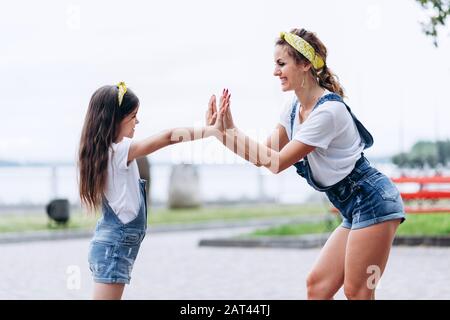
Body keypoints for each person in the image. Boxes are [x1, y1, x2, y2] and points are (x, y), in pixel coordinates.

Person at [206, 28, 406, 300]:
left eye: (281, 64)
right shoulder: (292, 110)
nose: (276, 72)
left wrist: (231, 131)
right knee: (318, 286)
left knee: (358, 292)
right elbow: (263, 156)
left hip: (372, 200)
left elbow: (276, 163)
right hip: (352, 206)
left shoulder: (328, 113)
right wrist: (224, 133)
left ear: (305, 64)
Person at [78, 82, 222, 299]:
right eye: (133, 115)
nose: (137, 121)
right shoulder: (118, 152)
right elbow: (168, 136)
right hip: (114, 248)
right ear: (115, 118)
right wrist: (209, 131)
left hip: (112, 246)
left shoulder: (109, 153)